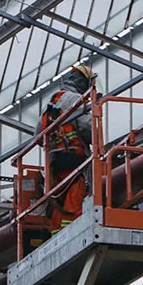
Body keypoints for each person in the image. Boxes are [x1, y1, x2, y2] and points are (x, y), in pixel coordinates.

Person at [40, 62, 95, 216]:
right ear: (84, 83)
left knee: (60, 201)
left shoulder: (50, 103)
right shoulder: (76, 99)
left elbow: (38, 134)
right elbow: (88, 128)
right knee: (76, 204)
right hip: (76, 160)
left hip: (54, 162)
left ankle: (60, 229)